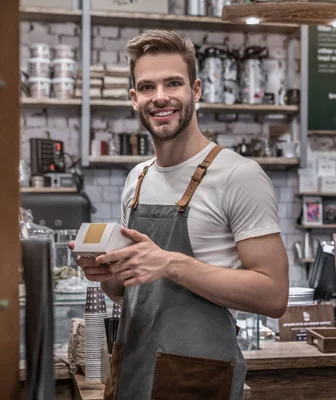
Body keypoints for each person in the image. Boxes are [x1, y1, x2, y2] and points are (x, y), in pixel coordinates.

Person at [70, 29, 289, 400]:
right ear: (133, 99)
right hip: (132, 373)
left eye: (173, 83)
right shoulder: (136, 179)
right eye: (147, 87)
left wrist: (171, 264)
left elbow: (274, 296)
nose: (160, 98)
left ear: (196, 90)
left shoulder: (239, 175)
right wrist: (105, 274)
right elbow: (126, 292)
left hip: (197, 378)